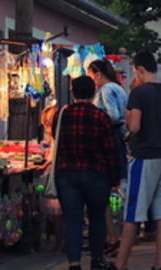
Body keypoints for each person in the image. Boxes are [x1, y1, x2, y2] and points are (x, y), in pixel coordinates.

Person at [115, 52, 161, 270]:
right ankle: (159, 263)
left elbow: (134, 126)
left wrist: (126, 132)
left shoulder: (139, 93)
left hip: (144, 155)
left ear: (140, 69)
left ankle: (121, 264)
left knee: (133, 212)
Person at [55, 76, 120, 270]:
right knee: (97, 217)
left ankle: (74, 263)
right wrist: (115, 177)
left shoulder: (62, 115)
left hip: (67, 173)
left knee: (72, 219)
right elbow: (110, 149)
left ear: (73, 92)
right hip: (96, 174)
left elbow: (57, 143)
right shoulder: (101, 117)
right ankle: (96, 259)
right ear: (93, 93)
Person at [87, 59, 128, 256]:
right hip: (118, 138)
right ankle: (113, 235)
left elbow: (113, 114)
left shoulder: (106, 90)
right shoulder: (118, 88)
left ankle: (114, 237)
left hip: (108, 139)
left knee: (106, 190)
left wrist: (96, 121)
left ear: (97, 73)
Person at [39, 106, 63, 252]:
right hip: (54, 174)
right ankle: (60, 242)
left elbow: (53, 157)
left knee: (58, 213)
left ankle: (60, 243)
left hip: (56, 176)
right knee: (57, 213)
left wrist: (45, 164)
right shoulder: (52, 135)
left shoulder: (57, 136)